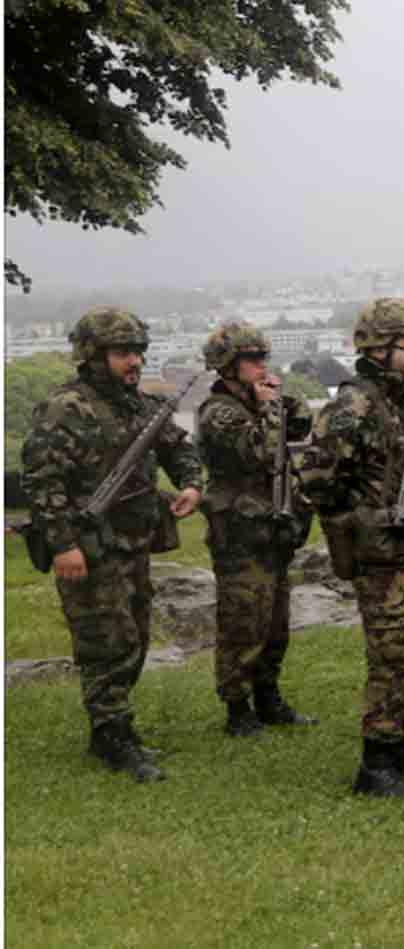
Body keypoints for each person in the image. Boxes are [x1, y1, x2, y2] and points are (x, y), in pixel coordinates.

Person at [22, 306, 203, 782]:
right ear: (93, 355)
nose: (135, 362)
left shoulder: (139, 405)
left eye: (138, 353)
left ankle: (115, 727)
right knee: (107, 641)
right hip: (90, 544)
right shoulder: (65, 408)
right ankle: (111, 735)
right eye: (123, 353)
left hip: (133, 541)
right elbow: (43, 482)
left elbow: (177, 447)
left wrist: (190, 483)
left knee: (136, 637)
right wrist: (62, 545)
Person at [297, 298, 404, 801]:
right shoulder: (354, 405)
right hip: (384, 554)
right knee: (391, 655)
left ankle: (401, 739)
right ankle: (376, 761)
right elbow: (319, 480)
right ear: (378, 349)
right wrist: (368, 521)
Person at [196, 322, 316, 737]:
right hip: (240, 534)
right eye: (252, 359)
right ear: (229, 365)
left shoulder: (260, 402)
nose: (261, 365)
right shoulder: (219, 413)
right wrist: (267, 412)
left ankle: (268, 696)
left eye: (263, 357)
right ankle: (237, 707)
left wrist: (280, 400)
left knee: (275, 623)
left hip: (274, 528)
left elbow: (301, 427)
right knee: (242, 622)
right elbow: (257, 453)